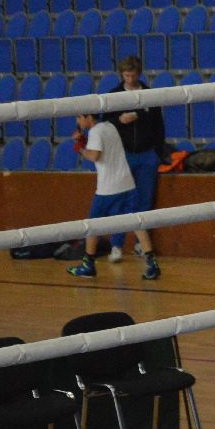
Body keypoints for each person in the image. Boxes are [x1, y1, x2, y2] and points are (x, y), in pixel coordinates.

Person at [67, 111, 160, 280]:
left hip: (108, 187)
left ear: (88, 117)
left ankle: (88, 265)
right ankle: (152, 263)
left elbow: (96, 155)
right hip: (126, 183)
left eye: (79, 117)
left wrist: (80, 149)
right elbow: (105, 148)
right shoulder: (110, 127)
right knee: (136, 223)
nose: (77, 120)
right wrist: (84, 142)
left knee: (92, 225)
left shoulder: (95, 131)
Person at [100, 55, 165, 264]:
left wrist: (159, 153)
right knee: (122, 200)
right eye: (126, 75)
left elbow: (159, 126)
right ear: (121, 75)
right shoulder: (114, 95)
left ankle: (141, 245)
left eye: (133, 75)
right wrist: (119, 120)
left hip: (147, 155)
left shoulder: (149, 95)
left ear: (139, 74)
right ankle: (116, 245)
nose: (129, 79)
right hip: (124, 155)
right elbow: (106, 124)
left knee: (145, 200)